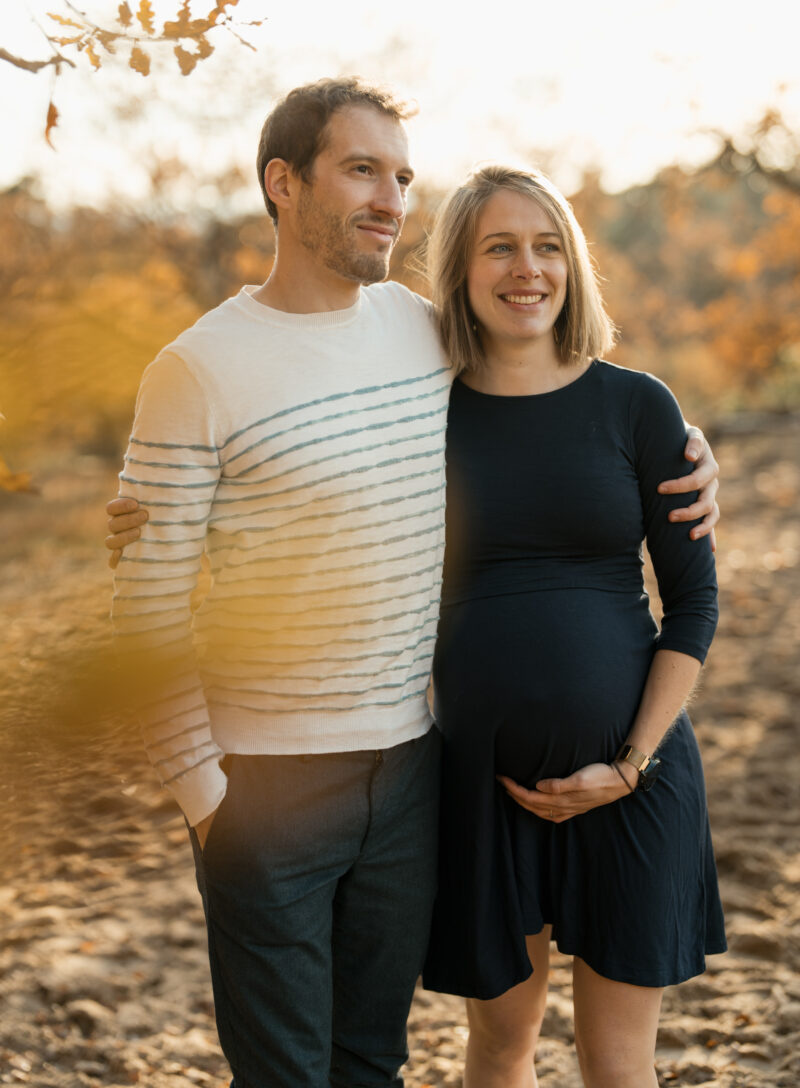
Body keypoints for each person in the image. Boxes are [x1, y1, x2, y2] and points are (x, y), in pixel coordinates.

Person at [106, 78, 721, 1088]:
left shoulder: (417, 335)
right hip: (275, 782)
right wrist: (205, 800)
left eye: (399, 176)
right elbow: (147, 598)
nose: (388, 199)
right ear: (282, 184)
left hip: (406, 771)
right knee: (295, 1070)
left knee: (371, 1061)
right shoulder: (203, 366)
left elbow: (554, 385)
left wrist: (692, 451)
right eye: (360, 171)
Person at [420, 165, 726, 1088]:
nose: (528, 268)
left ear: (573, 264)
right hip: (483, 785)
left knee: (619, 1062)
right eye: (500, 247)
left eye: (548, 245)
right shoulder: (422, 410)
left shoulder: (637, 406)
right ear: (463, 272)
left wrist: (628, 765)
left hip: (636, 781)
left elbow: (695, 604)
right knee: (501, 1047)